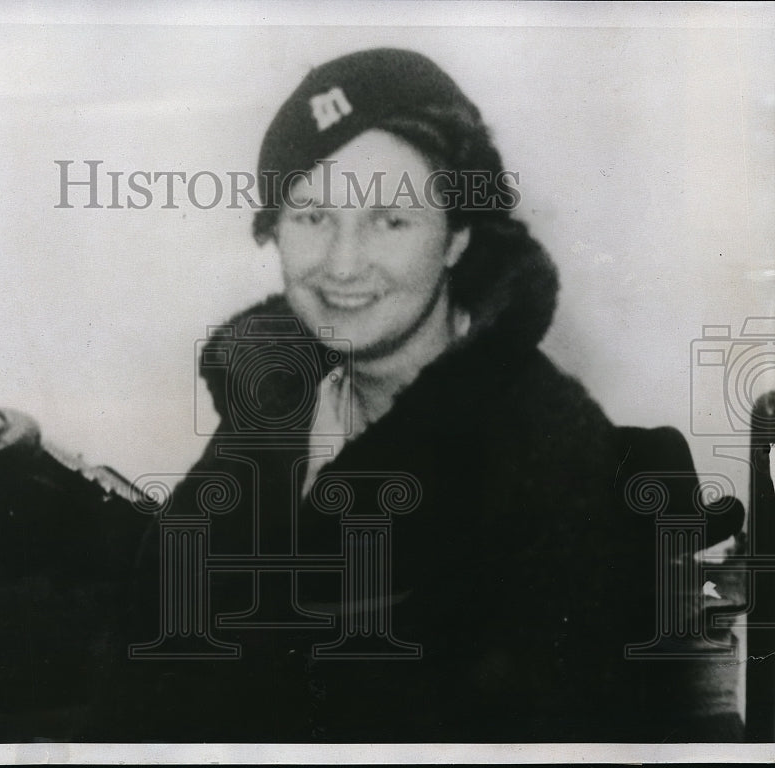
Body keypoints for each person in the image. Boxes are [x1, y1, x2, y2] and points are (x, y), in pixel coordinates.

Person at [96, 48, 745, 743]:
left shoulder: (571, 474)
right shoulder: (243, 463)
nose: (343, 265)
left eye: (390, 220)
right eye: (312, 217)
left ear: (459, 235)